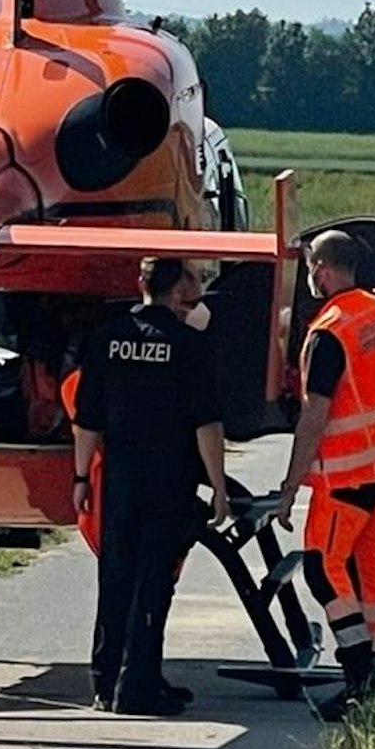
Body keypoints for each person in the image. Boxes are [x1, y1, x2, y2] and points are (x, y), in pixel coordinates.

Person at [68, 257, 229, 715]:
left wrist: (81, 477)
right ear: (177, 289)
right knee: (154, 580)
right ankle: (137, 687)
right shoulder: (188, 345)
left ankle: (106, 683)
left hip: (119, 479)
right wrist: (218, 488)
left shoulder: (106, 339)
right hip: (169, 479)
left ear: (141, 284)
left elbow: (87, 420)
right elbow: (207, 425)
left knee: (115, 576)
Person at [274, 229, 375, 714]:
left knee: (323, 570)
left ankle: (357, 675)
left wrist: (290, 487)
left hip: (344, 479)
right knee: (370, 573)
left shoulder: (328, 332)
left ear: (323, 269)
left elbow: (315, 416)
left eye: (312, 265)